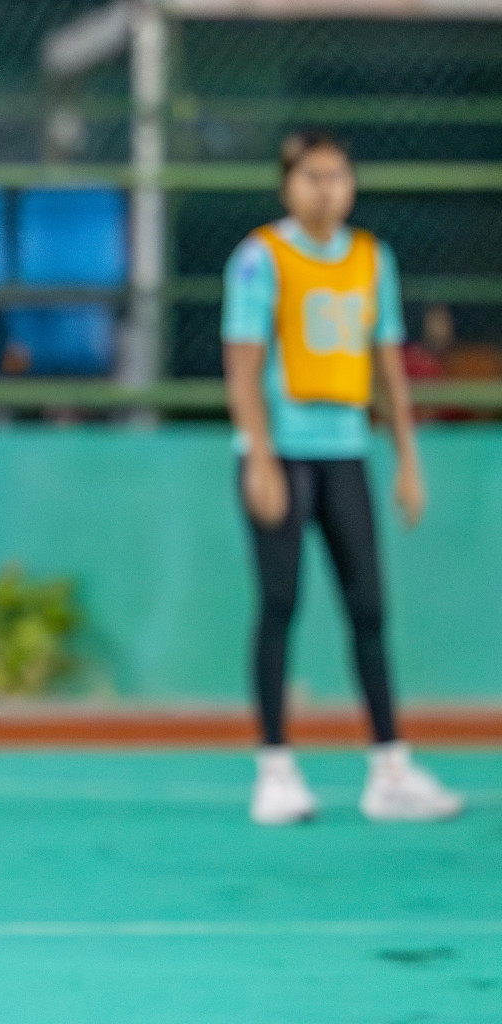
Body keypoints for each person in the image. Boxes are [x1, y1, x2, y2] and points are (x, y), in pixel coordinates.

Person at [222, 130, 463, 826]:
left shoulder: (369, 258)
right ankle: (275, 768)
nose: (328, 188)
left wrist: (408, 457)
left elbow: (387, 364)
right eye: (313, 176)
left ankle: (390, 766)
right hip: (283, 451)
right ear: (288, 184)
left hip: (346, 449)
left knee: (369, 607)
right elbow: (242, 363)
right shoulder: (259, 257)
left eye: (339, 175)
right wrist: (259, 456)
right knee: (280, 603)